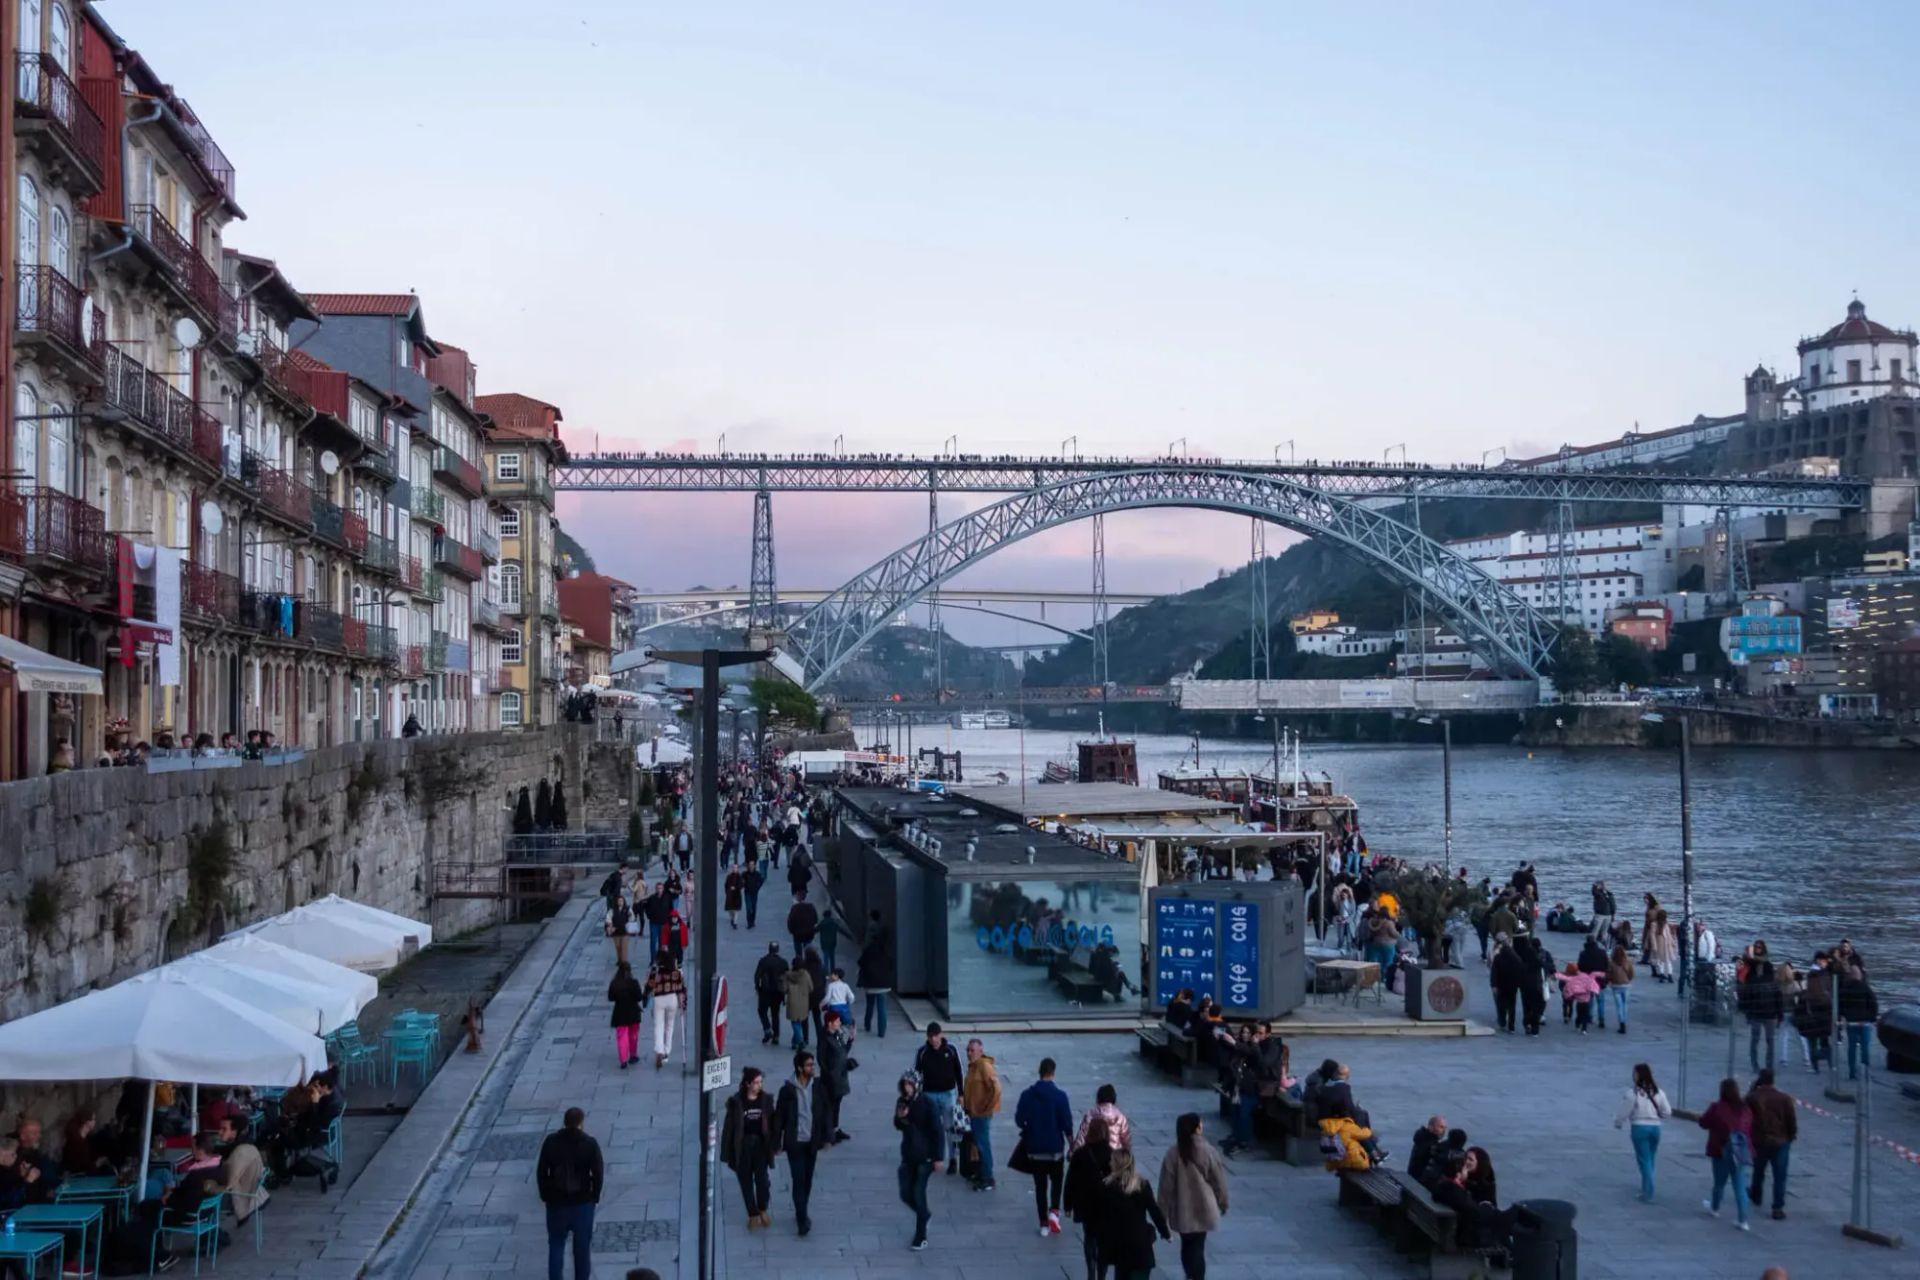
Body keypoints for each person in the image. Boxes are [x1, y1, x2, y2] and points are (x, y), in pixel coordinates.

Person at [1157, 1113, 1228, 1280]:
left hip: (1183, 1210)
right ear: (1197, 1128)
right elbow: (1219, 1181)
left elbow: (1165, 1188)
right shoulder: (1208, 1151)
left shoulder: (1173, 1154)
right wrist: (1223, 1202)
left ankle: (1190, 1275)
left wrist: (1161, 1214)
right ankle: (1195, 1277)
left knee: (1187, 1245)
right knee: (1198, 1247)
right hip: (1204, 1208)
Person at [536, 1107, 604, 1280]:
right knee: (582, 1250)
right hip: (582, 1203)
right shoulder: (589, 1144)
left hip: (557, 1203)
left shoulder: (551, 1142)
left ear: (565, 1122)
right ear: (581, 1123)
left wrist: (546, 1196)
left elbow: (542, 1172)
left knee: (556, 1245)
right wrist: (594, 1197)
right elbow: (598, 1173)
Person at [1015, 1056, 1074, 1236]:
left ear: (1039, 1071)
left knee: (1040, 1187)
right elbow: (1067, 1124)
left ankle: (1043, 1224)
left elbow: (1019, 1120)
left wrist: (1030, 1127)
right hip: (1055, 1148)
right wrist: (1072, 1145)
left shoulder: (1027, 1095)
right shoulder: (1060, 1096)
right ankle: (1054, 1212)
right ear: (1053, 1073)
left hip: (1035, 1149)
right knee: (1057, 1181)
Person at [776, 1051, 830, 1235]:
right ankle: (802, 1220)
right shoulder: (787, 1091)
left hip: (812, 1142)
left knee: (807, 1181)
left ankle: (802, 1209)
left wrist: (828, 1136)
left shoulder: (818, 1087)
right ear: (799, 1068)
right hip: (795, 1143)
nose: (812, 1068)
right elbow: (779, 1118)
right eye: (808, 1065)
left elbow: (825, 1112)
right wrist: (777, 1142)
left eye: (812, 1065)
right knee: (798, 1180)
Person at [1096, 1150, 1171, 1280]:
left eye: (1112, 1161)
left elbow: (1101, 1217)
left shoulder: (1108, 1188)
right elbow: (1154, 1211)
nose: (1109, 1163)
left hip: (1120, 1250)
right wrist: (1165, 1232)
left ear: (1117, 1165)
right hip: (1140, 1248)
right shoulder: (1142, 1185)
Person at [720, 1068, 776, 1230]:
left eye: (760, 1082)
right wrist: (726, 1152)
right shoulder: (737, 1102)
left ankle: (763, 1207)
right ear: (747, 1084)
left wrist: (774, 1143)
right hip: (743, 1146)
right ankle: (752, 1214)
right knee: (745, 1182)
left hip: (760, 1145)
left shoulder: (766, 1100)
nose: (759, 1085)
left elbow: (772, 1123)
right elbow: (729, 1128)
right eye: (756, 1082)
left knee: (762, 1180)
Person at [1430, 1151, 1518, 1249]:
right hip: (1468, 1231)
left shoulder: (1450, 1186)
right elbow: (1470, 1207)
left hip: (1471, 1221)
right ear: (1458, 1174)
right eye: (1466, 1160)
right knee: (1502, 1221)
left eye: (1470, 1159)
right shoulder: (1451, 1188)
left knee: (1500, 1224)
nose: (1466, 1164)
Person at [1697, 1077, 1753, 1230]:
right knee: (1739, 1185)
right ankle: (1743, 1220)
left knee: (1719, 1183)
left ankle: (1715, 1208)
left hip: (1720, 1150)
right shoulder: (1745, 1109)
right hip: (1739, 1152)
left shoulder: (1716, 1107)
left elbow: (1703, 1122)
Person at [894, 1071, 941, 1251]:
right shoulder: (902, 1102)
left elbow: (937, 1130)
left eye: (910, 1084)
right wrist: (901, 1116)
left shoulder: (927, 1103)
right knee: (905, 1194)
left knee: (918, 1194)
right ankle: (925, 1215)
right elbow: (898, 1125)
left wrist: (938, 1157)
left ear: (916, 1085)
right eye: (904, 1084)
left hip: (925, 1156)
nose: (907, 1088)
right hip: (908, 1154)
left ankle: (920, 1235)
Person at [1064, 1114, 1114, 1280]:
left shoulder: (1080, 1154)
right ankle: (1102, 1274)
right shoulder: (1112, 1154)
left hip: (1085, 1203)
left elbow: (1070, 1180)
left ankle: (1091, 1271)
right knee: (1104, 1240)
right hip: (1106, 1205)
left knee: (1089, 1237)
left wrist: (1068, 1205)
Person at [1614, 1062, 1673, 1202]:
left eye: (1634, 1073)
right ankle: (1645, 1187)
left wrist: (1618, 1122)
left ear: (1639, 1075)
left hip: (1639, 1127)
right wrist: (1659, 1116)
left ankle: (1649, 1191)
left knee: (1643, 1160)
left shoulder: (1632, 1093)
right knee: (1650, 1159)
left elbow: (1624, 1112)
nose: (1632, 1075)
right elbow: (1668, 1112)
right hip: (1655, 1128)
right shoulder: (1659, 1091)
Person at [1746, 1069, 1797, 1221]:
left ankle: (1756, 1195)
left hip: (1760, 1140)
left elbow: (1743, 1111)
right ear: (1773, 1081)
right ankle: (1778, 1207)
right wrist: (1791, 1136)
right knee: (1780, 1176)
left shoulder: (1753, 1097)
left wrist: (1753, 1088)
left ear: (1760, 1081)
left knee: (1758, 1170)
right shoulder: (1784, 1098)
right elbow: (1791, 1120)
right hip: (1781, 1141)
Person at [915, 1023, 964, 1173]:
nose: (934, 1040)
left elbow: (959, 1072)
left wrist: (961, 1093)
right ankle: (934, 1157)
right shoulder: (922, 1052)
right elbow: (917, 1074)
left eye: (936, 1036)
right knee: (932, 1128)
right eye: (931, 1037)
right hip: (929, 1094)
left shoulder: (951, 1050)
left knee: (950, 1128)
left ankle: (953, 1159)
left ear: (941, 1035)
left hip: (948, 1093)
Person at [962, 1037, 1002, 1191]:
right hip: (974, 1112)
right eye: (968, 1050)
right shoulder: (974, 1066)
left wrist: (987, 1106)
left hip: (981, 1113)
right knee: (978, 1145)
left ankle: (987, 1177)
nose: (969, 1053)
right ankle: (981, 1172)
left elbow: (997, 1088)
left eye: (972, 1050)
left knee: (983, 1144)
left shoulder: (984, 1066)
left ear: (980, 1051)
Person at [1738, 940, 1783, 1074]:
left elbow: (1776, 993)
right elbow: (1746, 991)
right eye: (1756, 947)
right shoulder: (1749, 966)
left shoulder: (1767, 966)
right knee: (1756, 1040)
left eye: (1759, 947)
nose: (1758, 949)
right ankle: (1755, 1065)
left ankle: (1769, 1066)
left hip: (1768, 1012)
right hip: (1757, 1011)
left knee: (1769, 1041)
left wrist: (1779, 1013)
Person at [643, 949, 687, 1069]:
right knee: (670, 1025)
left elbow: (648, 986)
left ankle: (659, 1050)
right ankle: (667, 1051)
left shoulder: (655, 971)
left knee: (659, 1026)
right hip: (672, 999)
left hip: (659, 999)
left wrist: (645, 996)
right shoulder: (676, 972)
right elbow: (682, 988)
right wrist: (684, 1002)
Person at [818, 1009, 855, 1144]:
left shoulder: (836, 1035)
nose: (839, 1023)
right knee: (830, 1106)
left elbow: (843, 1051)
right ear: (830, 1023)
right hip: (831, 1079)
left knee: (836, 1105)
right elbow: (821, 1059)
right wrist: (829, 1074)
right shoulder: (825, 1039)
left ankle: (835, 1128)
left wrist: (850, 1040)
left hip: (840, 1076)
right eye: (837, 1021)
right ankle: (828, 1132)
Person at [1839, 960, 1879, 1081]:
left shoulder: (1845, 989)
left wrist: (1845, 1016)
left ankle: (1852, 1071)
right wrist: (1871, 1018)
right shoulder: (1866, 988)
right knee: (1865, 1046)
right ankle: (1865, 1070)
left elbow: (1841, 1006)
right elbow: (1874, 1004)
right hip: (1865, 1021)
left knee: (1851, 1047)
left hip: (1851, 1022)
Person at [858, 911, 893, 1037]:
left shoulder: (869, 949)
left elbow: (861, 962)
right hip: (884, 982)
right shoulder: (887, 950)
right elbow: (891, 963)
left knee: (870, 1005)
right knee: (882, 1008)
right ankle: (881, 1031)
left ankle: (867, 1024)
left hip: (870, 981)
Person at [1073, 1083, 1133, 1153]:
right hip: (1114, 1155)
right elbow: (1126, 1140)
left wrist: (1073, 1152)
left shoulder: (1091, 1114)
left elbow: (1082, 1136)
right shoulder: (1120, 1116)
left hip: (1093, 1152)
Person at [608, 961, 645, 1069]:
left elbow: (611, 998)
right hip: (633, 1012)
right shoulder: (634, 983)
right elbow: (639, 997)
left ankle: (623, 1059)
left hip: (620, 1013)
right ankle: (633, 1055)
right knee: (633, 1035)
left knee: (622, 1036)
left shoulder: (614, 983)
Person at [754, 943, 788, 1046]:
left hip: (765, 991)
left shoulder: (763, 961)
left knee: (762, 1011)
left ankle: (767, 1029)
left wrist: (758, 987)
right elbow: (787, 977)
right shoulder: (783, 962)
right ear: (778, 950)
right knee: (775, 1014)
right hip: (778, 992)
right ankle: (776, 1036)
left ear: (769, 949)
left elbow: (757, 976)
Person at [1489, 936, 1524, 1033]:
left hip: (1501, 985)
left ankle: (1502, 1021)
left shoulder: (1498, 957)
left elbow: (1494, 972)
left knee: (1501, 1005)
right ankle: (1511, 1026)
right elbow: (1520, 971)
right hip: (1512, 985)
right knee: (1512, 1005)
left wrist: (1494, 984)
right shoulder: (1516, 959)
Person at [782, 954, 814, 1049]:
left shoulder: (787, 975)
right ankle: (796, 1041)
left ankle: (799, 1040)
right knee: (799, 1022)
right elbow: (811, 988)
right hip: (803, 1001)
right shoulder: (806, 974)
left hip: (792, 1001)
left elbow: (784, 989)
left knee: (795, 1022)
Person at [1408, 1114, 1448, 1183]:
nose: (1443, 1130)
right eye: (1441, 1127)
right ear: (1431, 1127)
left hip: (1412, 1177)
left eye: (1444, 1128)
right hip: (1418, 1181)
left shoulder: (1422, 1137)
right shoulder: (1429, 1143)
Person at [1606, 944, 1635, 1034]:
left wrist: (1610, 980)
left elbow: (1609, 975)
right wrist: (1628, 980)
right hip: (1626, 986)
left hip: (1616, 986)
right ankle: (1624, 1022)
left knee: (1619, 1006)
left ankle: (1621, 1023)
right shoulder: (1628, 961)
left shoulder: (1611, 962)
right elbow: (1632, 973)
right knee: (1624, 1005)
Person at [786, 891, 820, 963]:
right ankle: (808, 960)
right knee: (808, 948)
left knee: (798, 950)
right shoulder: (811, 907)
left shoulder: (795, 908)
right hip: (809, 933)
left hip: (797, 933)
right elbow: (815, 919)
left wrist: (791, 930)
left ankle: (799, 961)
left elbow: (790, 920)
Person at [742, 862, 764, 929]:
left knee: (754, 907)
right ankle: (749, 923)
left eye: (752, 865)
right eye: (750, 865)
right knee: (749, 907)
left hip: (754, 892)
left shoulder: (757, 874)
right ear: (748, 866)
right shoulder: (745, 874)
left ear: (754, 866)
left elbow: (761, 880)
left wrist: (757, 887)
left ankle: (753, 921)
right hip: (747, 892)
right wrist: (743, 885)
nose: (751, 866)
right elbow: (741, 880)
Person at [724, 864, 745, 929]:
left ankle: (735, 923)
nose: (734, 869)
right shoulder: (729, 876)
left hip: (737, 895)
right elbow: (726, 885)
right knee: (730, 910)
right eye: (733, 868)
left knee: (736, 910)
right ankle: (732, 919)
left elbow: (742, 885)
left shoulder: (740, 877)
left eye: (735, 868)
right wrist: (728, 891)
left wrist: (735, 888)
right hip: (730, 895)